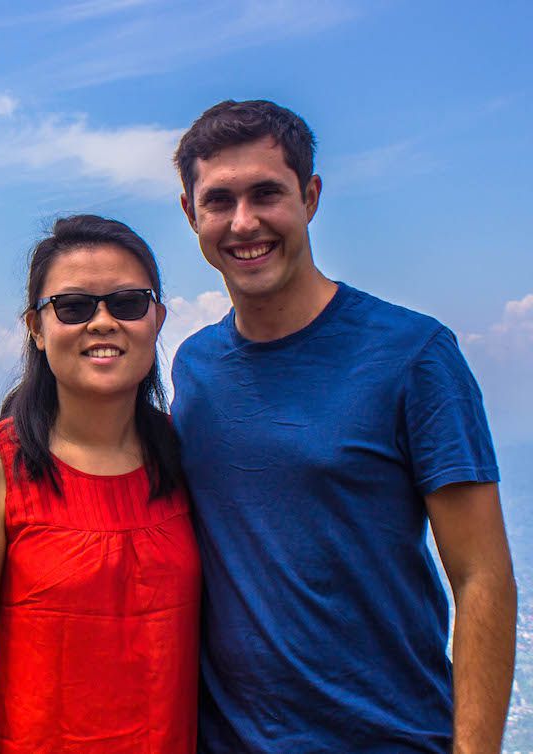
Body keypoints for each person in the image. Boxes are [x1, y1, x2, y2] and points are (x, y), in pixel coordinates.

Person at [170, 99, 516, 753]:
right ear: (191, 213)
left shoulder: (414, 355)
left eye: (266, 194)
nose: (243, 223)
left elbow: (482, 576)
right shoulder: (195, 369)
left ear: (310, 196)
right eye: (218, 201)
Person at [0, 214, 200, 753]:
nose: (102, 322)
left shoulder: (186, 458)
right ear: (35, 328)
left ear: (157, 318)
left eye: (127, 303)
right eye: (73, 307)